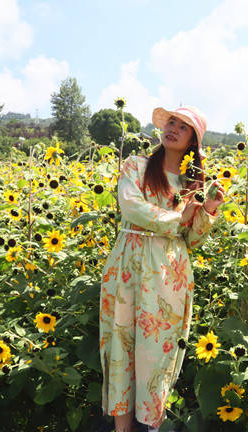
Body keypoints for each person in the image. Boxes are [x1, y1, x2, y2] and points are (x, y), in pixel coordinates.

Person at [99, 105, 224, 432]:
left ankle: (151, 426)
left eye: (182, 127)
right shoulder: (136, 166)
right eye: (171, 122)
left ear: (192, 142)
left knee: (157, 353)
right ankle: (122, 429)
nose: (172, 128)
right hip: (126, 264)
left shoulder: (192, 182)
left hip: (168, 273)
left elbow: (192, 239)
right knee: (121, 347)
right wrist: (176, 218)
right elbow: (131, 205)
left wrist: (208, 210)